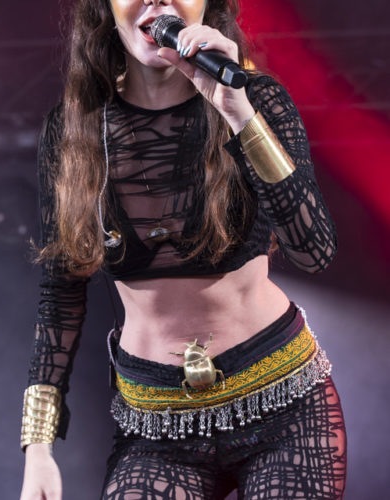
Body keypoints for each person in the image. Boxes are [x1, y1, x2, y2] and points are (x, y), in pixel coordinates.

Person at [19, 0, 347, 498]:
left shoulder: (256, 99)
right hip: (156, 426)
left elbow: (314, 251)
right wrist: (38, 449)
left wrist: (240, 115)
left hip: (283, 403)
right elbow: (60, 294)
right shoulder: (72, 131)